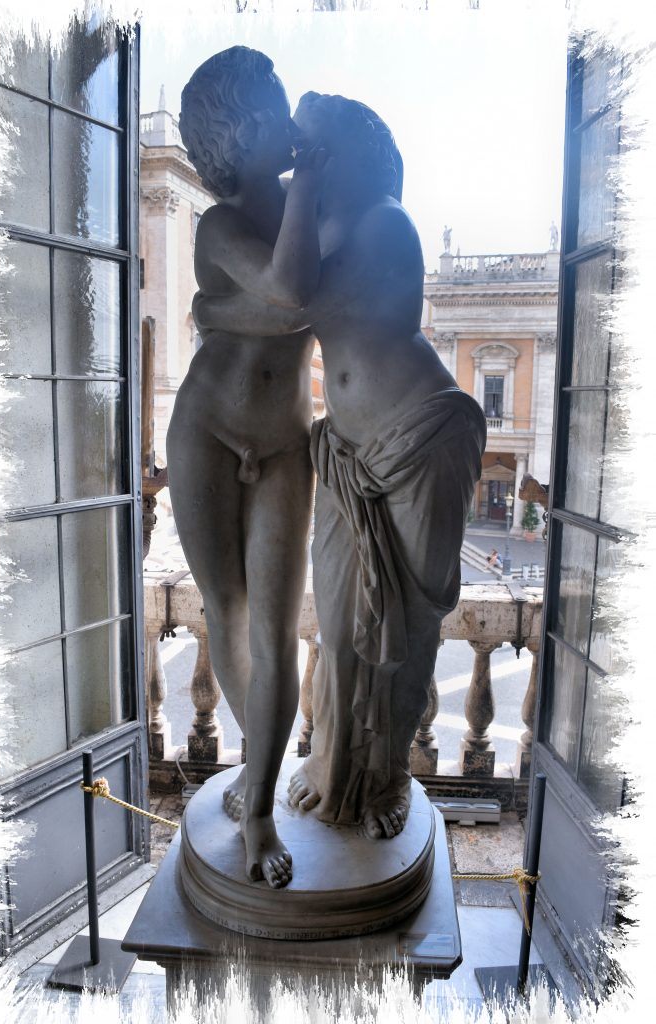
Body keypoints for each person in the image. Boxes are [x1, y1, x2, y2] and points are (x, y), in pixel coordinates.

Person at [194, 92, 487, 842]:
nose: (299, 156)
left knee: (406, 625)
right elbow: (283, 288)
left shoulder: (383, 219)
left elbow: (293, 306)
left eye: (311, 145)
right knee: (339, 620)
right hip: (348, 451)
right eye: (297, 145)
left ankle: (387, 778)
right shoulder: (322, 225)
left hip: (419, 436)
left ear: (348, 151)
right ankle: (334, 768)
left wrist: (211, 310)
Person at [167, 48, 325, 889]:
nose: (284, 120)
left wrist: (229, 312)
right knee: (225, 614)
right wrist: (257, 308)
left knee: (274, 631)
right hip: (204, 430)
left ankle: (257, 798)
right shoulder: (218, 225)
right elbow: (295, 292)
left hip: (283, 442)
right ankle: (257, 787)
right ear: (237, 133)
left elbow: (308, 300)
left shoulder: (311, 207)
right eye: (268, 110)